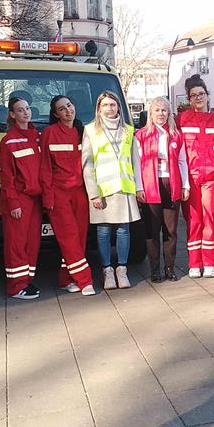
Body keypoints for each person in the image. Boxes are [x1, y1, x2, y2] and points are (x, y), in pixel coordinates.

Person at [82, 92, 144, 290]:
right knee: (103, 231)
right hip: (102, 190)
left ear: (118, 107)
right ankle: (107, 270)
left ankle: (122, 269)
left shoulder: (128, 130)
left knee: (123, 230)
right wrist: (93, 193)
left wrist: (139, 188)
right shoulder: (91, 130)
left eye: (113, 105)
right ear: (99, 108)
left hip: (124, 188)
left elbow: (136, 161)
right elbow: (87, 164)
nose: (110, 108)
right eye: (106, 105)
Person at [40, 95, 94, 296]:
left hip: (80, 192)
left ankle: (66, 278)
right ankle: (84, 280)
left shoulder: (83, 132)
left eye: (69, 106)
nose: (68, 111)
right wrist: (48, 197)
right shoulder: (49, 133)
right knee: (69, 237)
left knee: (79, 238)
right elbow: (44, 167)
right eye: (62, 109)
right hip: (59, 193)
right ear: (56, 114)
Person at [136, 97, 189, 283]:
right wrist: (139, 187)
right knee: (152, 230)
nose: (161, 114)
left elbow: (182, 161)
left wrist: (185, 185)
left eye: (164, 110)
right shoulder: (141, 135)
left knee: (171, 231)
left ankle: (170, 268)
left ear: (169, 113)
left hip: (171, 184)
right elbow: (137, 164)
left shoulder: (176, 134)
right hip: (151, 186)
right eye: (157, 110)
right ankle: (155, 269)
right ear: (151, 113)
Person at [177, 75, 214, 278]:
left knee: (210, 220)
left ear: (208, 96)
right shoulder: (182, 119)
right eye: (193, 95)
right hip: (190, 180)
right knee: (194, 221)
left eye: (201, 94)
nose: (198, 98)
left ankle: (209, 261)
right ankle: (194, 263)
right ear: (189, 98)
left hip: (211, 179)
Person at [0, 97, 43, 300]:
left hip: (35, 200)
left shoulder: (38, 137)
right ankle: (16, 286)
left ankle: (27, 280)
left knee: (32, 242)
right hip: (19, 200)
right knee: (17, 243)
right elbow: (7, 177)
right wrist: (13, 203)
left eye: (27, 108)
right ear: (12, 114)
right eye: (20, 110)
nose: (26, 112)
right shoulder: (8, 141)